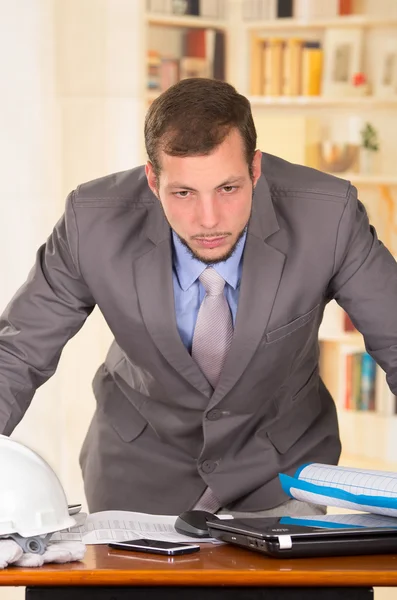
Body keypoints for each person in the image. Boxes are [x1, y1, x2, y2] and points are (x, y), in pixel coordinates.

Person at [1, 78, 396, 518]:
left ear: (255, 169)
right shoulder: (90, 222)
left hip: (278, 467)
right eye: (183, 193)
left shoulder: (329, 215)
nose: (209, 220)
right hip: (136, 467)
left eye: (228, 189)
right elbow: (16, 354)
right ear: (153, 180)